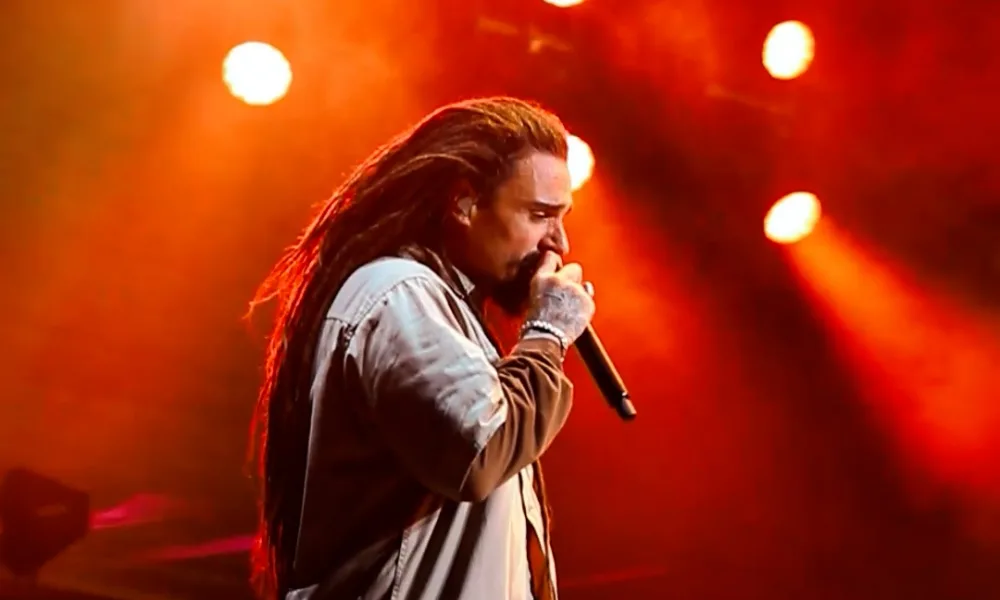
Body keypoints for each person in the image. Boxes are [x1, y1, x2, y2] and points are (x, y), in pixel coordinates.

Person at [249, 97, 596, 600]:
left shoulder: (446, 310)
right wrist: (547, 333)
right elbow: (480, 447)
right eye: (539, 215)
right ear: (464, 204)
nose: (558, 243)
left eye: (561, 218)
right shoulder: (399, 292)